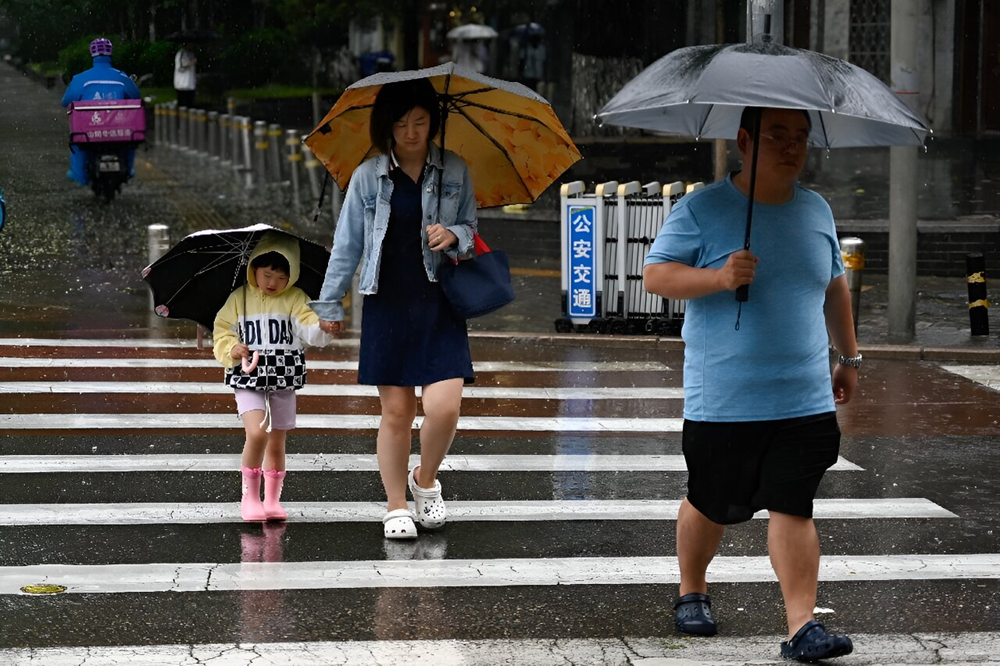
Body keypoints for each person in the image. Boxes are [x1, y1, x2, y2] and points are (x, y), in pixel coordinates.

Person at [642, 107, 859, 663]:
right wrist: (718, 277)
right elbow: (657, 275)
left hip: (804, 395)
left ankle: (801, 626)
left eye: (801, 138)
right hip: (727, 396)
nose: (792, 147)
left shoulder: (816, 210)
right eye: (778, 136)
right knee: (712, 501)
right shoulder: (702, 209)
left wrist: (849, 358)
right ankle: (692, 588)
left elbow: (835, 288)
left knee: (794, 503)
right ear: (744, 140)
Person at [310, 78, 477, 540]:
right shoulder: (368, 176)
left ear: (432, 123)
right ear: (387, 126)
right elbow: (347, 245)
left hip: (439, 300)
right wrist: (331, 303)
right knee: (398, 412)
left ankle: (425, 482)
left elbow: (471, 228)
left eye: (421, 122)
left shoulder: (456, 171)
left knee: (444, 407)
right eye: (402, 123)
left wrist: (454, 235)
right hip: (386, 300)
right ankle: (396, 504)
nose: (411, 131)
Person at [213, 232, 335, 522]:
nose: (273, 283)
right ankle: (250, 496)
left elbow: (308, 329)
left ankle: (272, 500)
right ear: (254, 268)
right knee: (257, 433)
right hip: (248, 375)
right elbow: (222, 329)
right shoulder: (239, 297)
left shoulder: (296, 298)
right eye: (267, 274)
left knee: (277, 440)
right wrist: (231, 348)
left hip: (283, 375)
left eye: (282, 278)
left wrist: (323, 327)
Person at [60, 38, 140, 185]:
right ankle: (128, 170)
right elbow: (136, 97)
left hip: (89, 131)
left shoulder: (80, 79)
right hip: (118, 129)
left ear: (92, 55)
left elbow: (65, 101)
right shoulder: (122, 77)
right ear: (110, 54)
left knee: (77, 143)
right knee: (130, 141)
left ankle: (79, 175)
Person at [173, 43, 197, 108]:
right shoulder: (181, 54)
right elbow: (179, 67)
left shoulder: (191, 53)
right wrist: (190, 63)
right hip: (182, 84)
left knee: (190, 104)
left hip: (190, 84)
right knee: (182, 105)